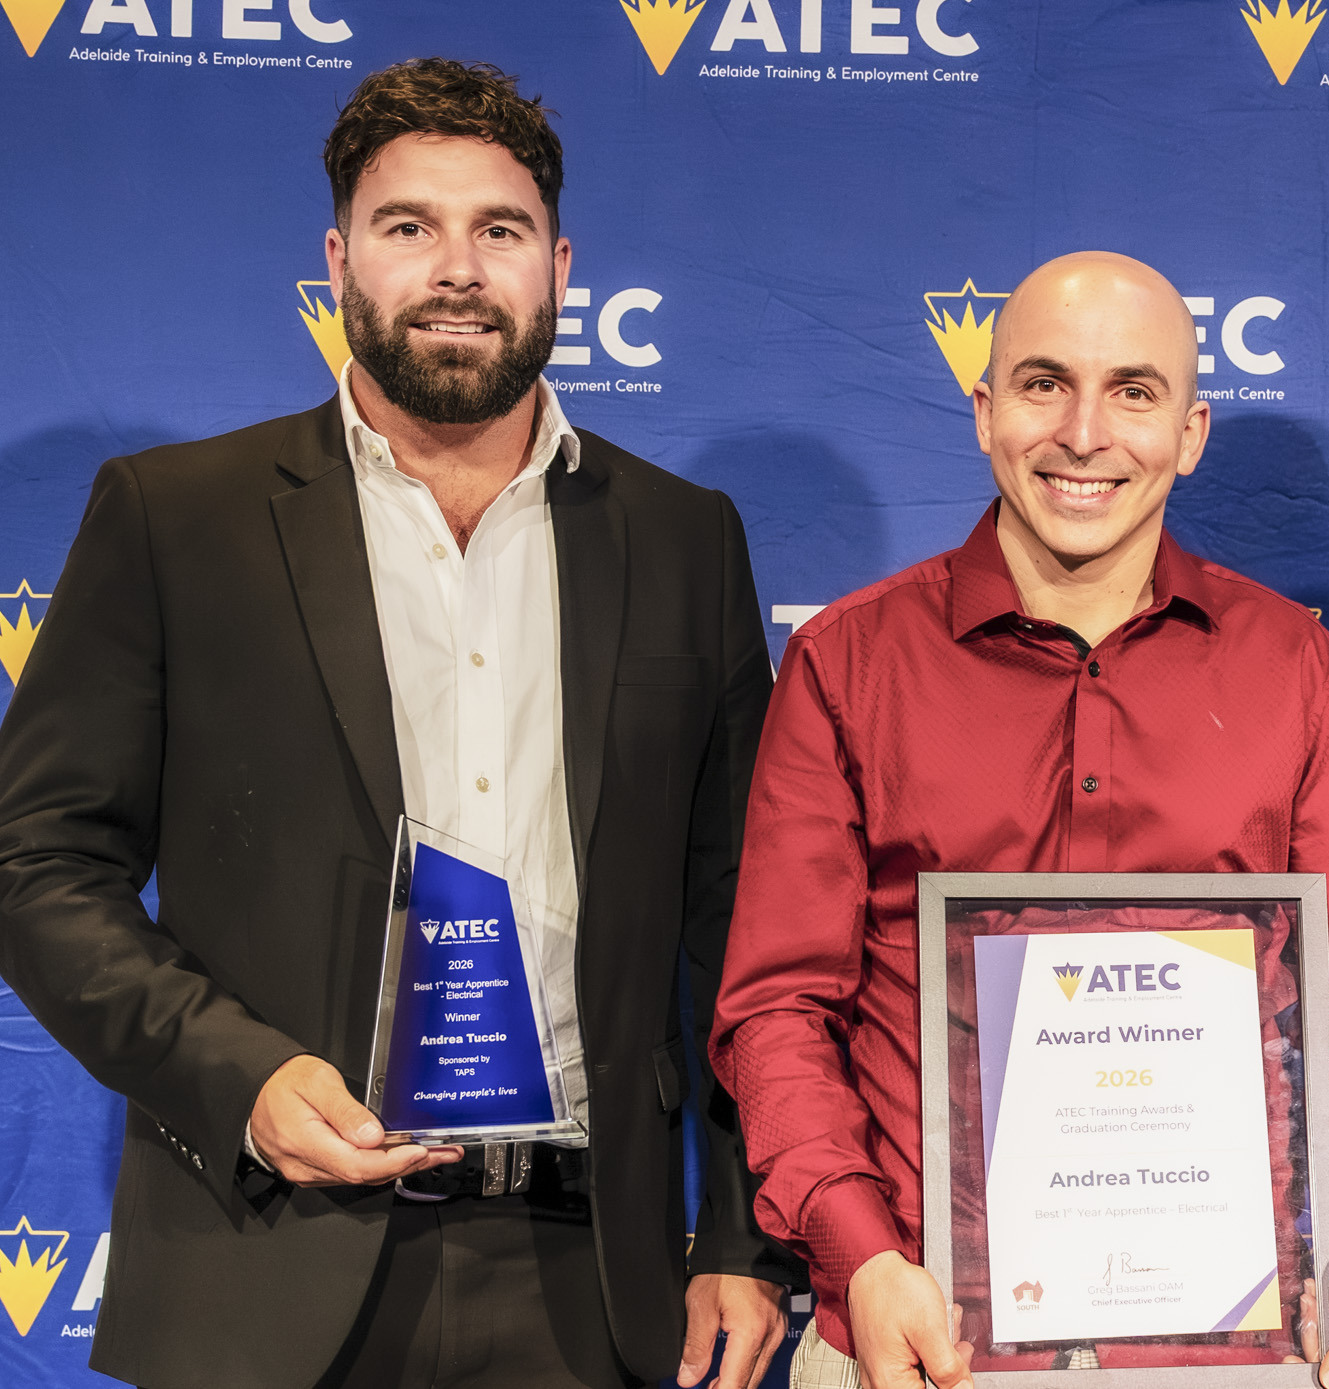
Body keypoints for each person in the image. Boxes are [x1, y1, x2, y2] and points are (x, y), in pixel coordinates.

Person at [0, 59, 794, 1389]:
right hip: (267, 1259)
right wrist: (242, 1077)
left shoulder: (683, 540)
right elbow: (35, 864)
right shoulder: (175, 517)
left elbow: (738, 918)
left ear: (559, 267)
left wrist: (738, 1233)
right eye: (408, 226)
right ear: (339, 261)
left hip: (593, 1279)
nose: (457, 270)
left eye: (500, 230)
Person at [710, 251, 1329, 1389]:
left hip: (1234, 1343)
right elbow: (778, 1009)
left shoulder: (1289, 663)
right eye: (1044, 384)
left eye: (1132, 392)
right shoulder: (848, 662)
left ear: (1189, 434)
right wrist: (862, 1260)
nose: (1083, 434)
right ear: (984, 411)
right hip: (916, 1337)